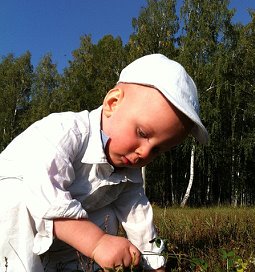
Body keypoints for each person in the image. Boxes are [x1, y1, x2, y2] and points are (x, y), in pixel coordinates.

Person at [0, 54, 208, 272]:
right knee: (13, 194)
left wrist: (155, 264)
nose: (145, 153)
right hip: (12, 223)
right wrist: (97, 243)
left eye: (157, 149)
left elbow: (138, 217)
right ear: (112, 103)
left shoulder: (128, 170)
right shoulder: (65, 132)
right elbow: (44, 194)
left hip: (53, 244)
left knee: (108, 213)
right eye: (142, 132)